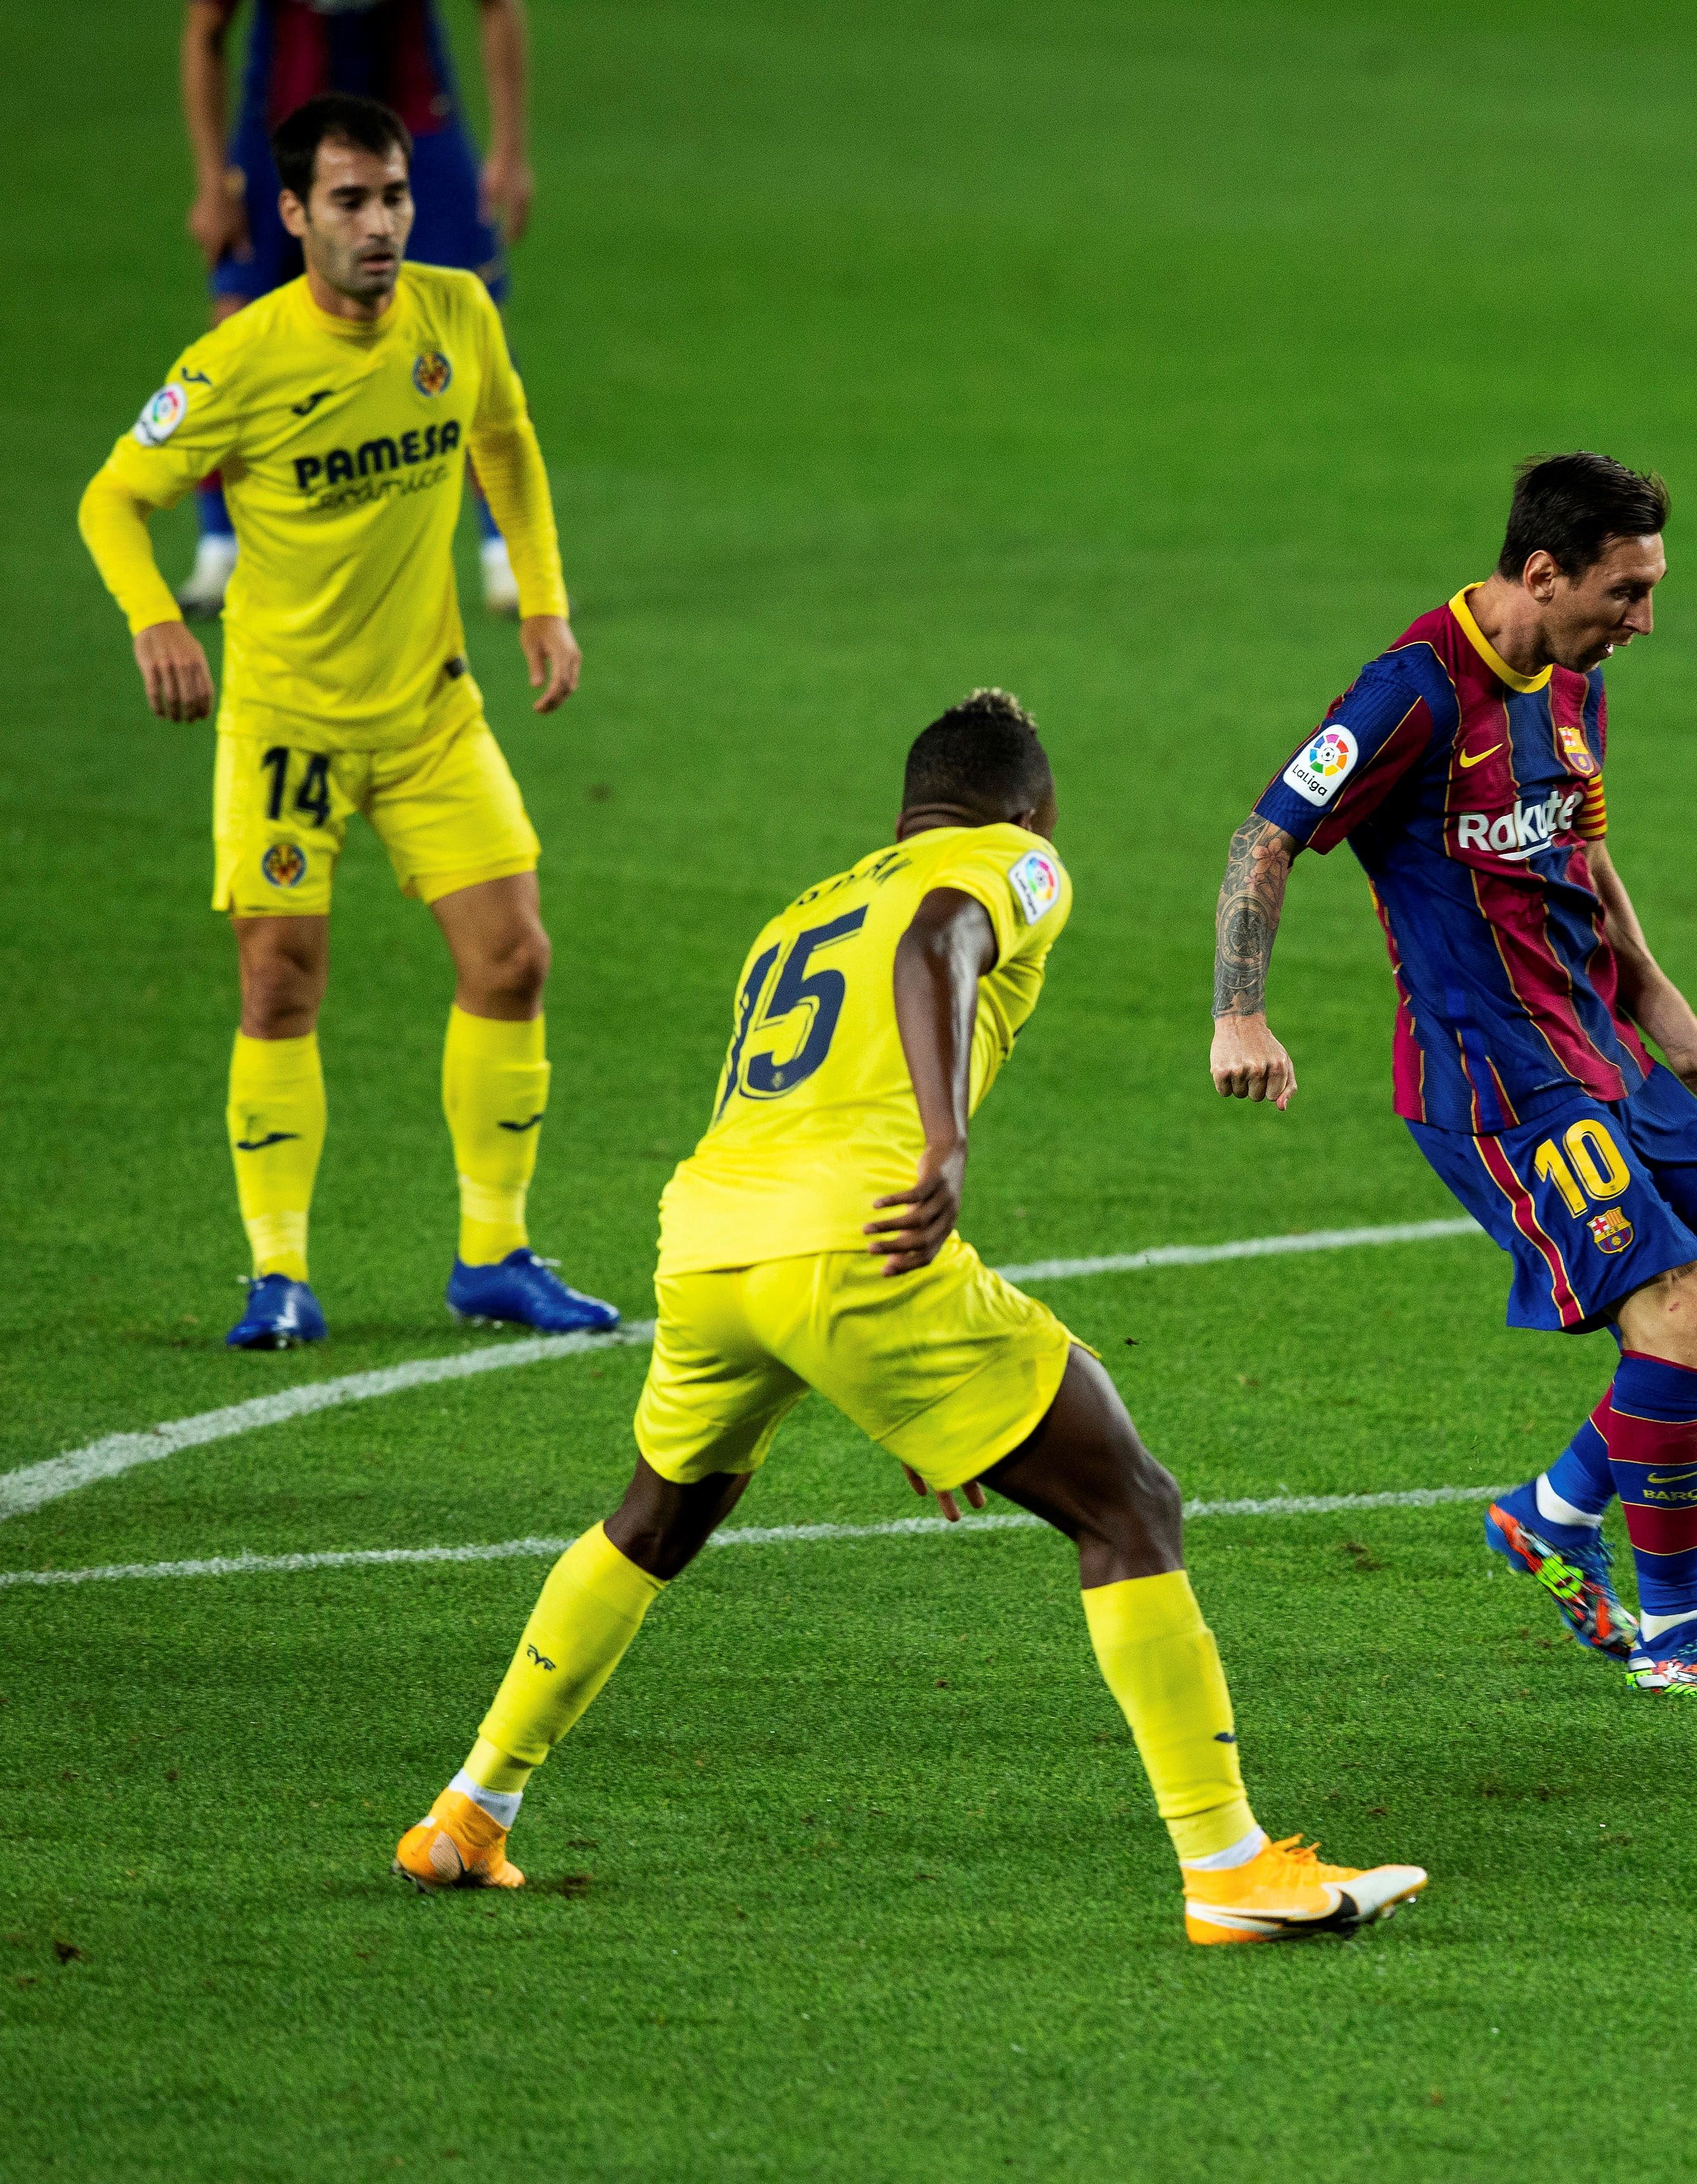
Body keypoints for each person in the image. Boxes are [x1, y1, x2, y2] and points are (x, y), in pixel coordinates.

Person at [395, 693, 1428, 1944]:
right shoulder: (1009, 861)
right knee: (1131, 1505)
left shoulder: (805, 906)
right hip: (864, 1241)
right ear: (1027, 806)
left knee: (652, 1522)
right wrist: (943, 1149)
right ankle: (1227, 1865)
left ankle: (471, 1810)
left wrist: (907, 1392)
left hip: (712, 1243)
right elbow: (939, 937)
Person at [1208, 454, 1697, 1702]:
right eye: (1626, 591)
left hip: (1605, 1047)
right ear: (1544, 571)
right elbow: (1267, 834)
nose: (1644, 620)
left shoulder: (1573, 684)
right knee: (1682, 1308)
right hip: (1494, 1077)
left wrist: (1676, 1018)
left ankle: (1555, 1508)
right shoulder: (1410, 695)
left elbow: (1587, 860)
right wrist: (1241, 1015)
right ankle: (1675, 1632)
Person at [79, 93, 612, 1348]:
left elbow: (508, 441)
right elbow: (115, 497)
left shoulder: (456, 313)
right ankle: (279, 1275)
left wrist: (542, 602)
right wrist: (156, 617)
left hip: (429, 713)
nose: (381, 226)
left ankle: (495, 1253)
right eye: (352, 202)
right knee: (280, 983)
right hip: (288, 731)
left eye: (396, 198)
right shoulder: (239, 362)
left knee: (515, 959)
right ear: (292, 214)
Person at [181, 0, 539, 617]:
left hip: (415, 134)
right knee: (237, 335)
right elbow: (206, 30)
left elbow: (498, 6)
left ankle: (506, 550)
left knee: (470, 331)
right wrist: (213, 181)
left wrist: (509, 152)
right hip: (281, 133)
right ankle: (221, 544)